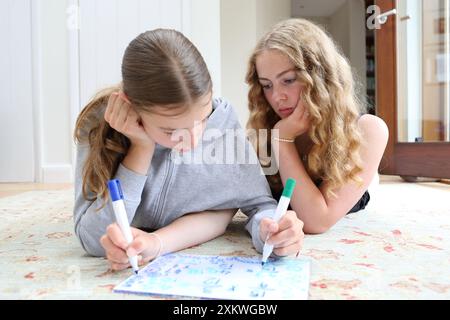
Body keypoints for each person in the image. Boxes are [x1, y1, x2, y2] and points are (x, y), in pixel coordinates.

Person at [73, 29, 304, 271]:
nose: (193, 142)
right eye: (171, 131)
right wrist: (141, 147)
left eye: (203, 120)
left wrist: (273, 231)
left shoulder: (223, 121)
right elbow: (92, 240)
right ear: (133, 108)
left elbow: (259, 204)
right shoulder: (98, 124)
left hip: (191, 230)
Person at [246, 19, 389, 234]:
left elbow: (316, 222)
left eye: (288, 80)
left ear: (320, 77)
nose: (276, 97)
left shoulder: (368, 130)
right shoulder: (263, 128)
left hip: (344, 194)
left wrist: (283, 140)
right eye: (267, 85)